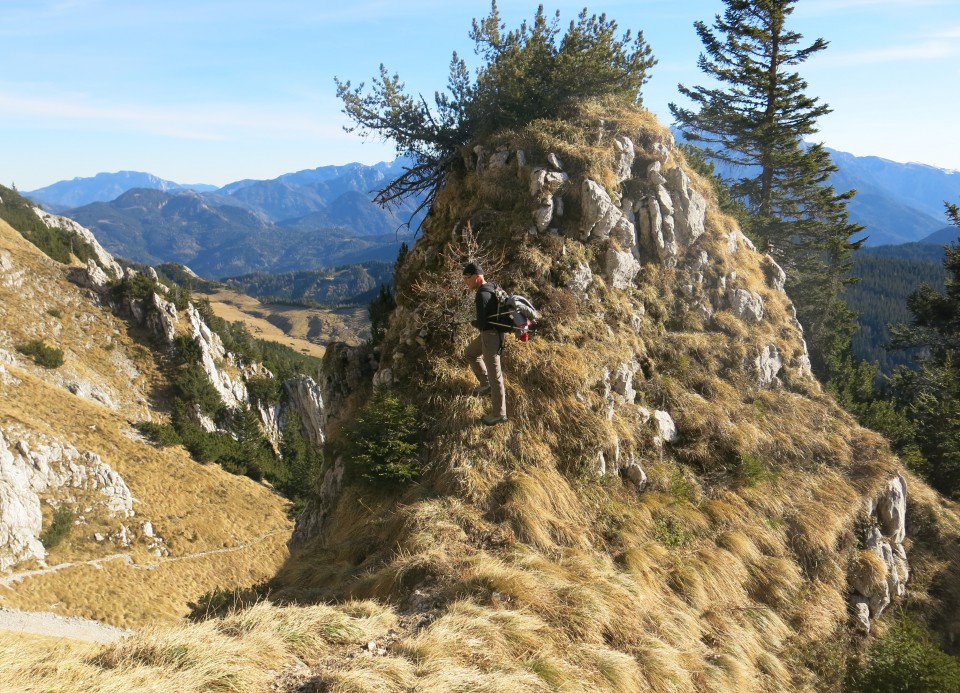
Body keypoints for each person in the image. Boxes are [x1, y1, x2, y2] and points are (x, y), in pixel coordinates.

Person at [462, 262, 508, 426]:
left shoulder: (481, 295)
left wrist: (472, 322)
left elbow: (481, 323)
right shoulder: (493, 286)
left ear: (477, 276)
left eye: (467, 278)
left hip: (490, 336)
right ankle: (485, 382)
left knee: (496, 376)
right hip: (494, 333)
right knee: (470, 353)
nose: (466, 282)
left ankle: (499, 413)